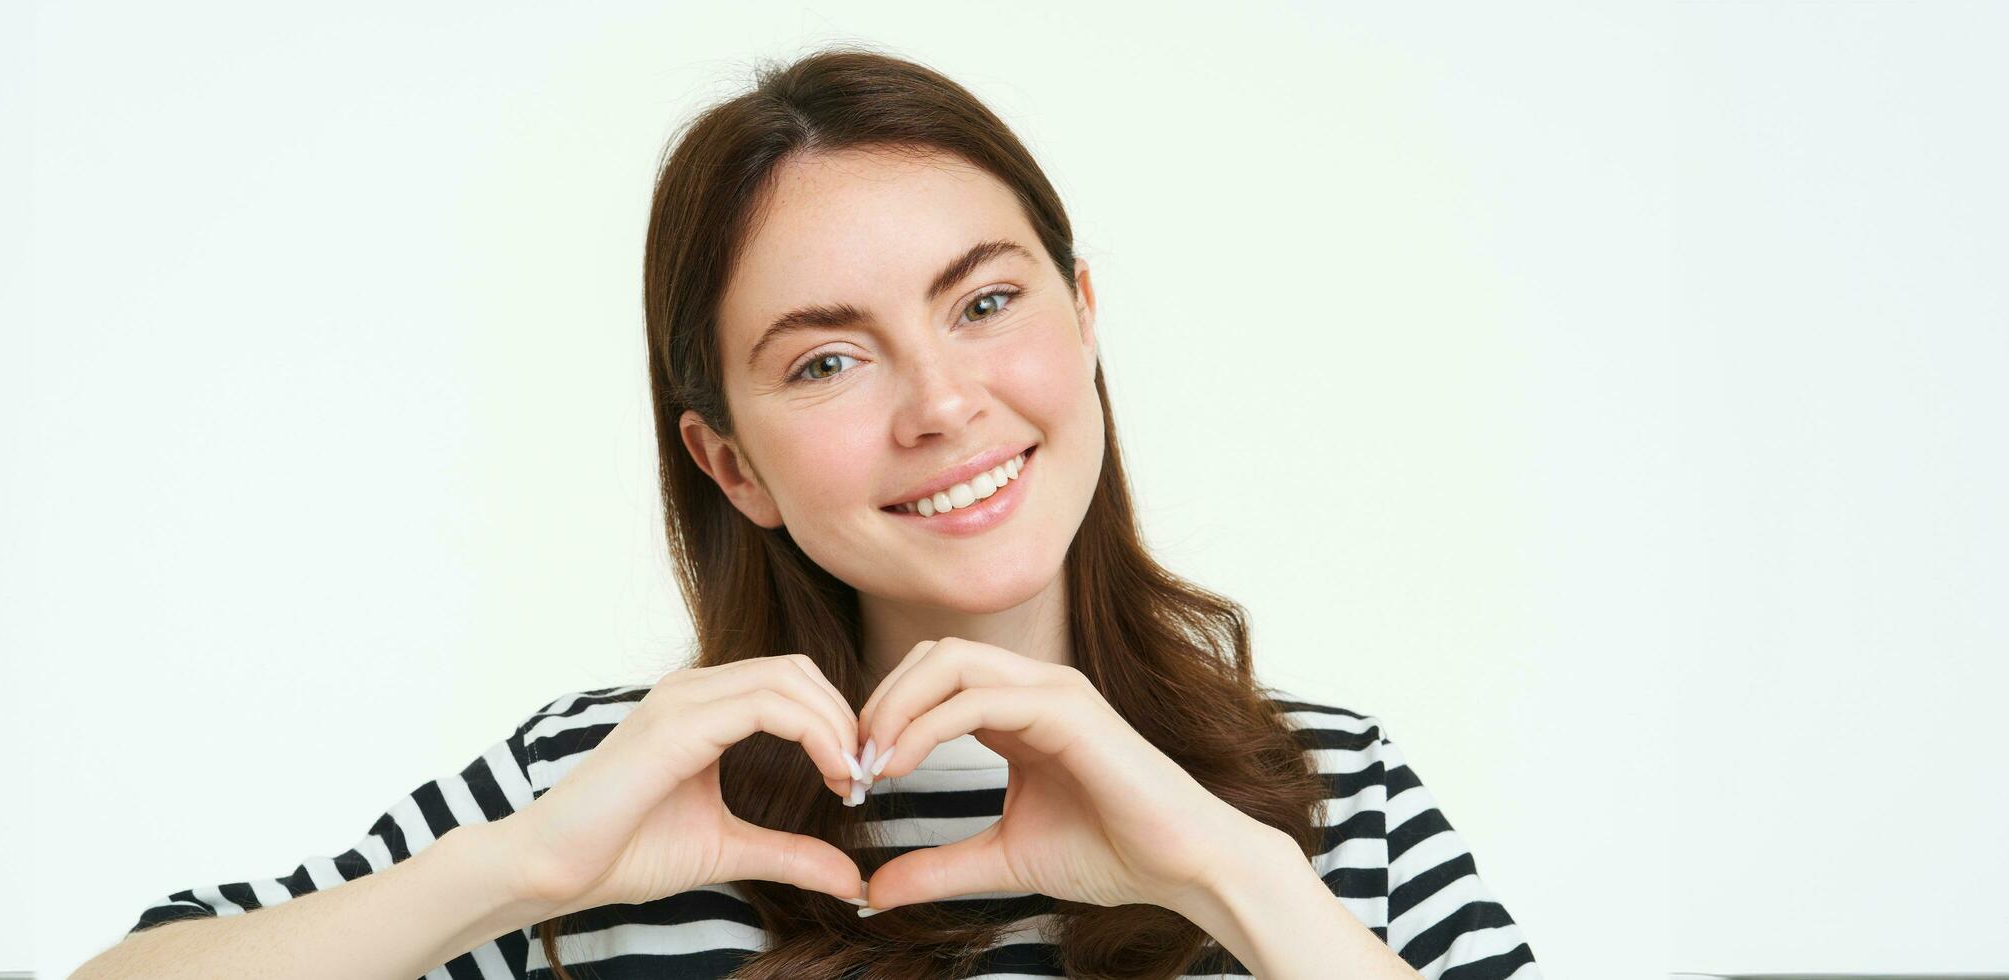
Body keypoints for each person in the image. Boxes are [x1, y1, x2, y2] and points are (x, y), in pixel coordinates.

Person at [74, 45, 1538, 980]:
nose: (940, 403)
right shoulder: (614, 791)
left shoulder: (1323, 796)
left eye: (984, 301)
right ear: (732, 465)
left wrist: (1227, 873)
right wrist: (520, 872)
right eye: (827, 359)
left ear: (1084, 319)